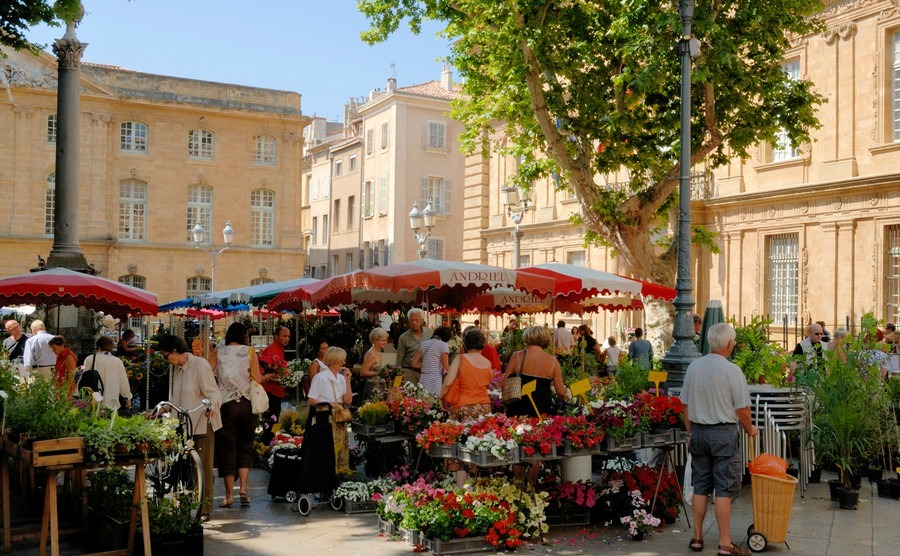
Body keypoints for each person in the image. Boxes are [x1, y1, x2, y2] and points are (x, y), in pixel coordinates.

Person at [680, 323, 757, 556]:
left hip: (699, 432)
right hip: (723, 434)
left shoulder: (693, 367)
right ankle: (724, 542)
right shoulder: (732, 370)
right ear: (730, 344)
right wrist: (750, 428)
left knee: (700, 486)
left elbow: (685, 404)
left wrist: (690, 430)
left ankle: (697, 537)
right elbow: (742, 408)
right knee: (723, 488)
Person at [157, 334, 222, 520]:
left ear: (176, 351)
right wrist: (163, 408)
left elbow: (214, 394)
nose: (165, 359)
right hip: (183, 425)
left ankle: (206, 509)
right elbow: (176, 398)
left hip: (201, 422)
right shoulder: (178, 369)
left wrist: (211, 406)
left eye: (165, 355)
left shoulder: (200, 365)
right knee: (184, 466)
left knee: (203, 467)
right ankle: (185, 503)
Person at [208, 322, 264, 509]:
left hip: (226, 404)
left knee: (227, 447)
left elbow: (208, 372)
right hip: (248, 403)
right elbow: (258, 377)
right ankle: (244, 490)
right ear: (244, 336)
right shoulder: (249, 352)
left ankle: (229, 495)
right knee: (245, 446)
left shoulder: (219, 352)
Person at [439, 327, 493, 487]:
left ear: (465, 343)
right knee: (478, 446)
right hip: (483, 408)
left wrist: (440, 397)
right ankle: (478, 486)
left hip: (462, 407)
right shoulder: (487, 363)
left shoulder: (461, 359)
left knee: (460, 447)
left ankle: (460, 488)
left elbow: (448, 381)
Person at [307, 346, 353, 474]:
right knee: (328, 447)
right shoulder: (320, 377)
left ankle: (340, 474)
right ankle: (327, 475)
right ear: (333, 361)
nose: (343, 363)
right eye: (340, 361)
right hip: (325, 416)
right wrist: (328, 403)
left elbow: (348, 400)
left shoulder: (341, 378)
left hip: (339, 416)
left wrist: (348, 381)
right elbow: (311, 400)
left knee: (341, 446)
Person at [503, 326, 566, 418]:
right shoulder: (553, 362)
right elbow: (561, 392)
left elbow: (505, 383)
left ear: (526, 337)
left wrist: (505, 405)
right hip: (542, 410)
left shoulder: (517, 356)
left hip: (518, 408)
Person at [82, 336, 132, 411]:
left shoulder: (90, 359)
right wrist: (128, 398)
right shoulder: (117, 361)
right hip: (112, 403)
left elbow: (82, 378)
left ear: (98, 347)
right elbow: (123, 382)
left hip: (94, 401)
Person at [259, 326, 291, 444]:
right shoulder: (271, 351)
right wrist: (282, 377)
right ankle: (267, 444)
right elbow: (264, 372)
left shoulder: (279, 350)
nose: (287, 339)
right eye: (284, 336)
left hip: (277, 391)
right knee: (271, 420)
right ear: (276, 337)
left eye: (288, 336)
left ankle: (270, 441)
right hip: (270, 392)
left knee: (274, 419)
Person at [396, 308, 432, 385]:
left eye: (416, 320)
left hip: (426, 373)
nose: (414, 323)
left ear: (422, 321)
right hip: (409, 372)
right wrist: (399, 377)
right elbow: (399, 360)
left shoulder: (429, 333)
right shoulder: (403, 337)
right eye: (412, 320)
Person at [414, 326, 451, 396]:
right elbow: (445, 366)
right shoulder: (443, 345)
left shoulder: (425, 343)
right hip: (435, 380)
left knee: (422, 402)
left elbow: (414, 363)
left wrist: (426, 365)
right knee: (433, 402)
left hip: (423, 378)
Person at [359, 328, 389, 401]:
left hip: (379, 386)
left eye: (386, 340)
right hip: (372, 387)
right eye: (383, 340)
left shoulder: (378, 352)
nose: (385, 342)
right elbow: (363, 372)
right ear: (375, 341)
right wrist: (379, 373)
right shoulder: (371, 354)